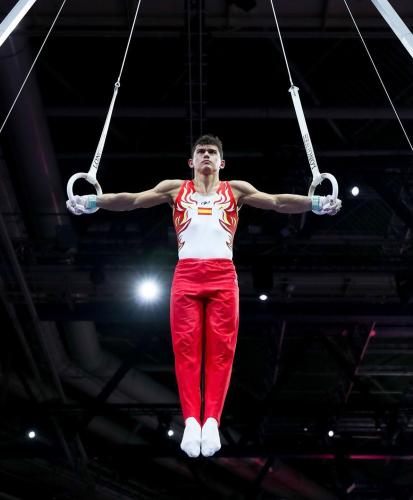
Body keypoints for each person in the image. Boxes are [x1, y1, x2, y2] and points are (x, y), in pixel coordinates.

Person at [67, 134, 341, 458]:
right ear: (191, 161)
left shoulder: (235, 190)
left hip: (223, 275)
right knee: (186, 349)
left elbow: (277, 202)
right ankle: (190, 422)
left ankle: (211, 420)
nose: (207, 155)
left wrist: (315, 203)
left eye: (212, 152)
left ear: (222, 162)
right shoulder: (174, 189)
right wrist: (93, 202)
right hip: (186, 275)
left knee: (221, 350)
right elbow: (133, 200)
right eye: (201, 152)